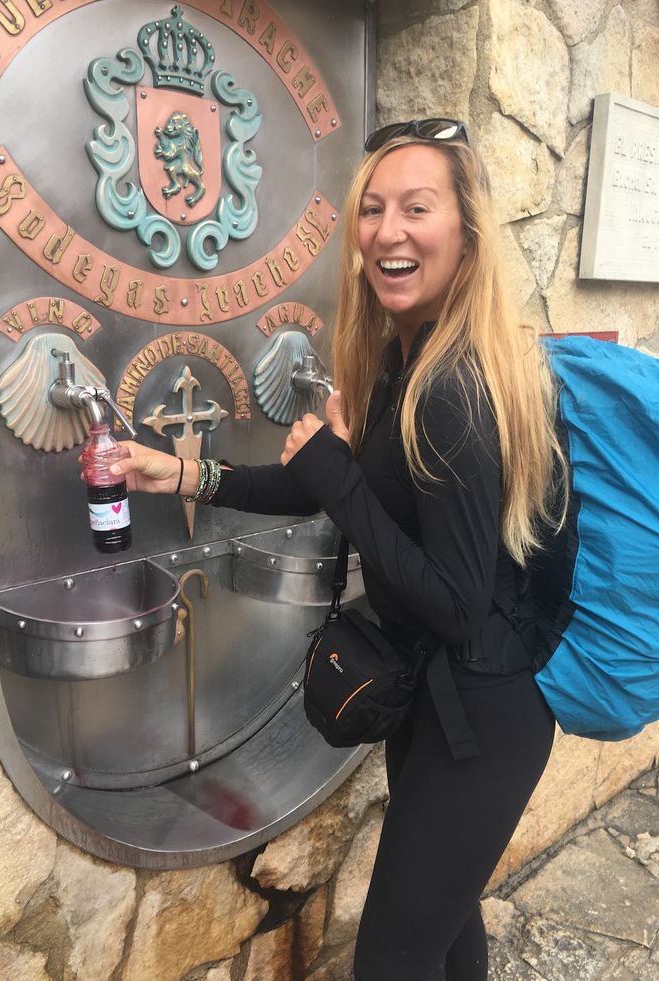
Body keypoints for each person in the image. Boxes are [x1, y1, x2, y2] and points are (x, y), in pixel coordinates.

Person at [97, 118, 567, 981]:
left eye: (416, 208)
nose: (388, 231)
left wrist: (334, 472)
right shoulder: (410, 359)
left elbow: (453, 599)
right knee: (445, 932)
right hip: (435, 703)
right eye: (373, 209)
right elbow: (331, 485)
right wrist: (187, 473)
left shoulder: (454, 389)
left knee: (390, 960)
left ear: (465, 235)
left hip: (481, 720)